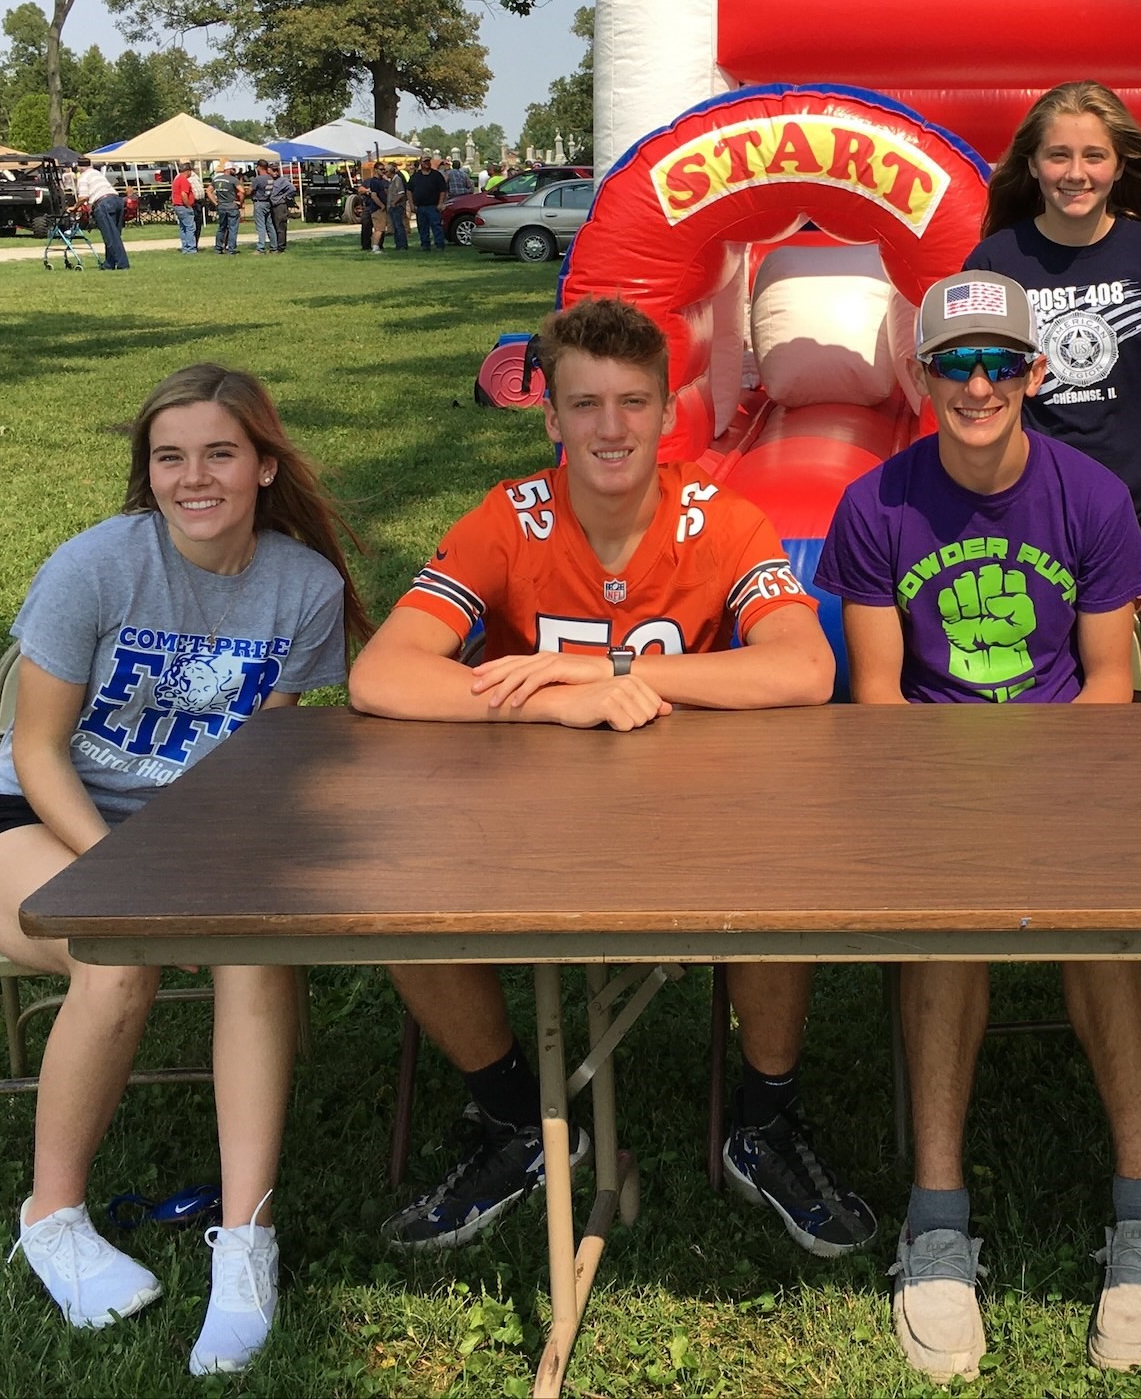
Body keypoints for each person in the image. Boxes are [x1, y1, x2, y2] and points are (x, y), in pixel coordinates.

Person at [347, 296, 870, 1259]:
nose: (611, 427)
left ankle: (765, 1122)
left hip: (695, 808)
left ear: (670, 414)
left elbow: (806, 670)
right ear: (549, 418)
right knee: (391, 872)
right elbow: (380, 674)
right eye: (585, 405)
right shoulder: (508, 519)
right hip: (526, 812)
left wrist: (610, 669)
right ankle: (516, 1122)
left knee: (782, 858)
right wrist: (550, 703)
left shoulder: (722, 517)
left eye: (633, 402)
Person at [0, 363, 367, 1374]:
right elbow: (38, 753)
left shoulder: (303, 587)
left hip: (197, 830)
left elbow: (264, 757)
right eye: (168, 456)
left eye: (218, 452)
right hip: (37, 820)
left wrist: (216, 866)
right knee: (115, 954)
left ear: (263, 465)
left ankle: (247, 1243)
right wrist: (124, 871)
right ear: (148, 473)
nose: (193, 476)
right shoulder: (93, 567)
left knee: (249, 950)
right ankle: (50, 1216)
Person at [817, 270, 1141, 1383]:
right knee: (942, 925)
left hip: (1071, 759)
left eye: (997, 363)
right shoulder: (875, 503)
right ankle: (936, 1214)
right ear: (919, 377)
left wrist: (1044, 794)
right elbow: (878, 698)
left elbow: (1110, 680)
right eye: (952, 364)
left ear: (1035, 372)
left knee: (1100, 922)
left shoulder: (1088, 495)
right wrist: (957, 804)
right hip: (926, 769)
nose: (976, 384)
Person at [963, 80, 1141, 650]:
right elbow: (973, 390)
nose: (1077, 173)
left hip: (1140, 515)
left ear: (1120, 166)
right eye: (1059, 155)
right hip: (1031, 509)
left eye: (1094, 155)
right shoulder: (996, 261)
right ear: (1032, 165)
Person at [76, 159, 128, 269]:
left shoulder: (83, 177)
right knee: (114, 234)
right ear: (90, 165)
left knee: (110, 236)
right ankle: (109, 264)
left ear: (79, 167)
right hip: (117, 200)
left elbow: (83, 197)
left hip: (103, 203)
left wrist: (74, 207)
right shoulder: (97, 173)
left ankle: (123, 264)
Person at [408, 155, 447, 249]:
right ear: (421, 163)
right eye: (425, 161)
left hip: (433, 206)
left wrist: (440, 203)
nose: (427, 163)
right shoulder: (415, 176)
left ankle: (439, 244)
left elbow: (443, 190)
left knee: (436, 226)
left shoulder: (436, 175)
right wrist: (411, 204)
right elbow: (409, 190)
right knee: (422, 227)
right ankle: (425, 245)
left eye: (428, 161)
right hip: (420, 207)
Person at [211, 170, 242, 255]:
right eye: (233, 169)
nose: (235, 171)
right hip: (231, 206)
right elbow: (241, 191)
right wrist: (241, 203)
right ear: (228, 169)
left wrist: (215, 202)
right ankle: (231, 249)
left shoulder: (216, 179)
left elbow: (208, 191)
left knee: (221, 228)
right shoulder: (233, 180)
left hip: (221, 206)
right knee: (232, 228)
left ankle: (218, 248)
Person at [171, 165, 198, 254]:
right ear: (187, 171)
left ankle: (185, 247)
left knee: (183, 227)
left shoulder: (177, 179)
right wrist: (188, 205)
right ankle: (191, 248)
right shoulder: (184, 180)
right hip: (183, 206)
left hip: (177, 206)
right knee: (190, 227)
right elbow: (183, 194)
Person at [383, 164, 411, 252]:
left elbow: (401, 193)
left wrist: (394, 203)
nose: (385, 173)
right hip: (392, 207)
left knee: (399, 226)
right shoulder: (391, 181)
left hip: (397, 207)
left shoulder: (397, 179)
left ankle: (403, 245)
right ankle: (398, 245)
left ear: (390, 172)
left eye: (386, 171)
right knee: (395, 227)